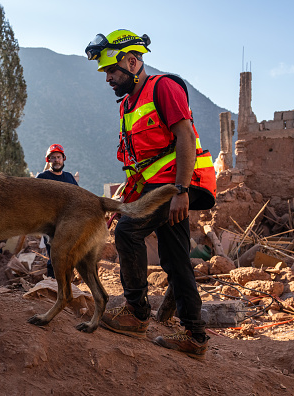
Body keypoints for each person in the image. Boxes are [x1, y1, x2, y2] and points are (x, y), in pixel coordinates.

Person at [85, 29, 217, 358]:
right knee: (175, 258)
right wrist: (123, 203)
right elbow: (136, 167)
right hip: (157, 187)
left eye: (111, 71)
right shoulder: (127, 107)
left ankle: (136, 313)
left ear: (132, 61)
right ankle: (195, 336)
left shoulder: (164, 87)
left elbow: (185, 138)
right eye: (105, 73)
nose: (108, 79)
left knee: (129, 234)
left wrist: (182, 191)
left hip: (179, 183)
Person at [36, 144, 79, 278]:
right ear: (48, 160)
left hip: (68, 224)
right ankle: (52, 287)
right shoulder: (42, 178)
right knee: (54, 256)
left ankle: (66, 287)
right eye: (53, 157)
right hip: (50, 224)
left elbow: (79, 198)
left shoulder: (69, 178)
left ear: (63, 159)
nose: (56, 160)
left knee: (68, 256)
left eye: (59, 157)